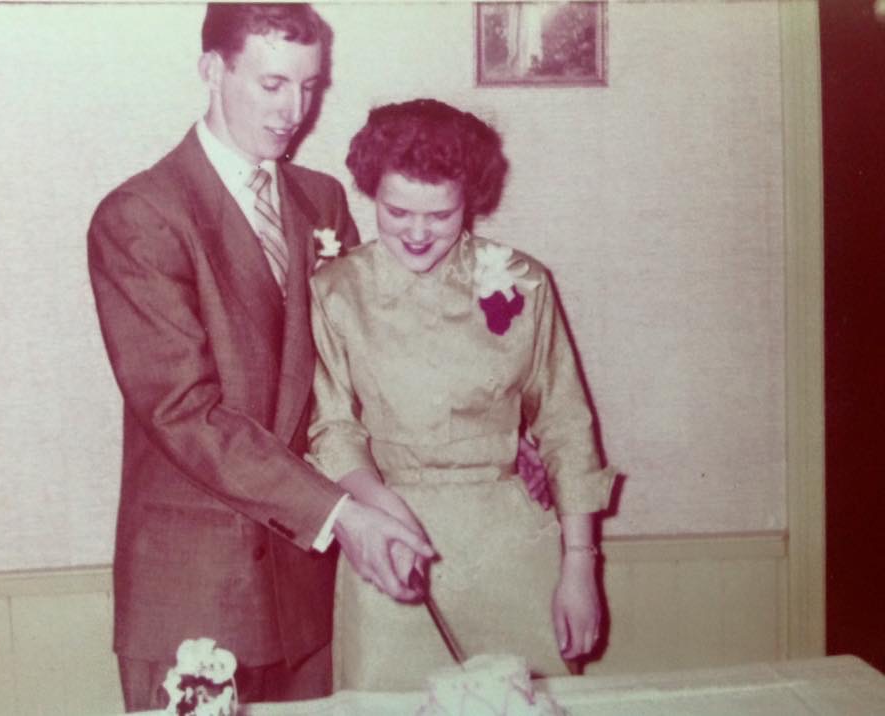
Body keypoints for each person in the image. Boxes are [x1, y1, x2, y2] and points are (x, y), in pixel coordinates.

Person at [87, 5, 435, 710]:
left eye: (309, 87)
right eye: (273, 84)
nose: (294, 111)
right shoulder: (140, 216)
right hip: (195, 594)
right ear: (213, 70)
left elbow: (346, 380)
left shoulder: (324, 201)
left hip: (304, 597)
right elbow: (185, 412)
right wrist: (340, 515)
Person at [307, 99, 617, 690]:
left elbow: (565, 425)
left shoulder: (525, 283)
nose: (418, 233)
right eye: (397, 212)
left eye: (441, 215)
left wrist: (580, 565)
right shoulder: (336, 291)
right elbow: (331, 428)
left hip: (510, 549)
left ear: (469, 202)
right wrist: (381, 510)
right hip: (387, 545)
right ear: (371, 194)